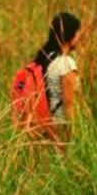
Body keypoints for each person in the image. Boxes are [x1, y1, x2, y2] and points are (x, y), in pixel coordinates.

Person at [33, 12, 82, 146]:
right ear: (70, 36)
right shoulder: (66, 63)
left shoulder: (45, 58)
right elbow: (69, 102)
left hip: (43, 122)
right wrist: (75, 130)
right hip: (60, 125)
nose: (79, 37)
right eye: (78, 33)